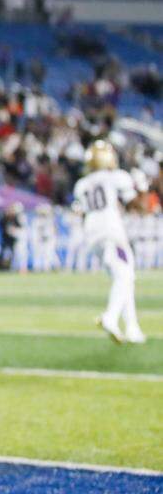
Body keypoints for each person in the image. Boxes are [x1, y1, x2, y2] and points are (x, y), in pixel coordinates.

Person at [72, 140, 146, 344]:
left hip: (92, 233)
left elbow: (80, 211)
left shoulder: (82, 184)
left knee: (124, 276)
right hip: (110, 230)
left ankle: (132, 327)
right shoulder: (115, 177)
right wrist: (142, 187)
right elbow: (136, 206)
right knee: (125, 275)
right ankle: (111, 317)